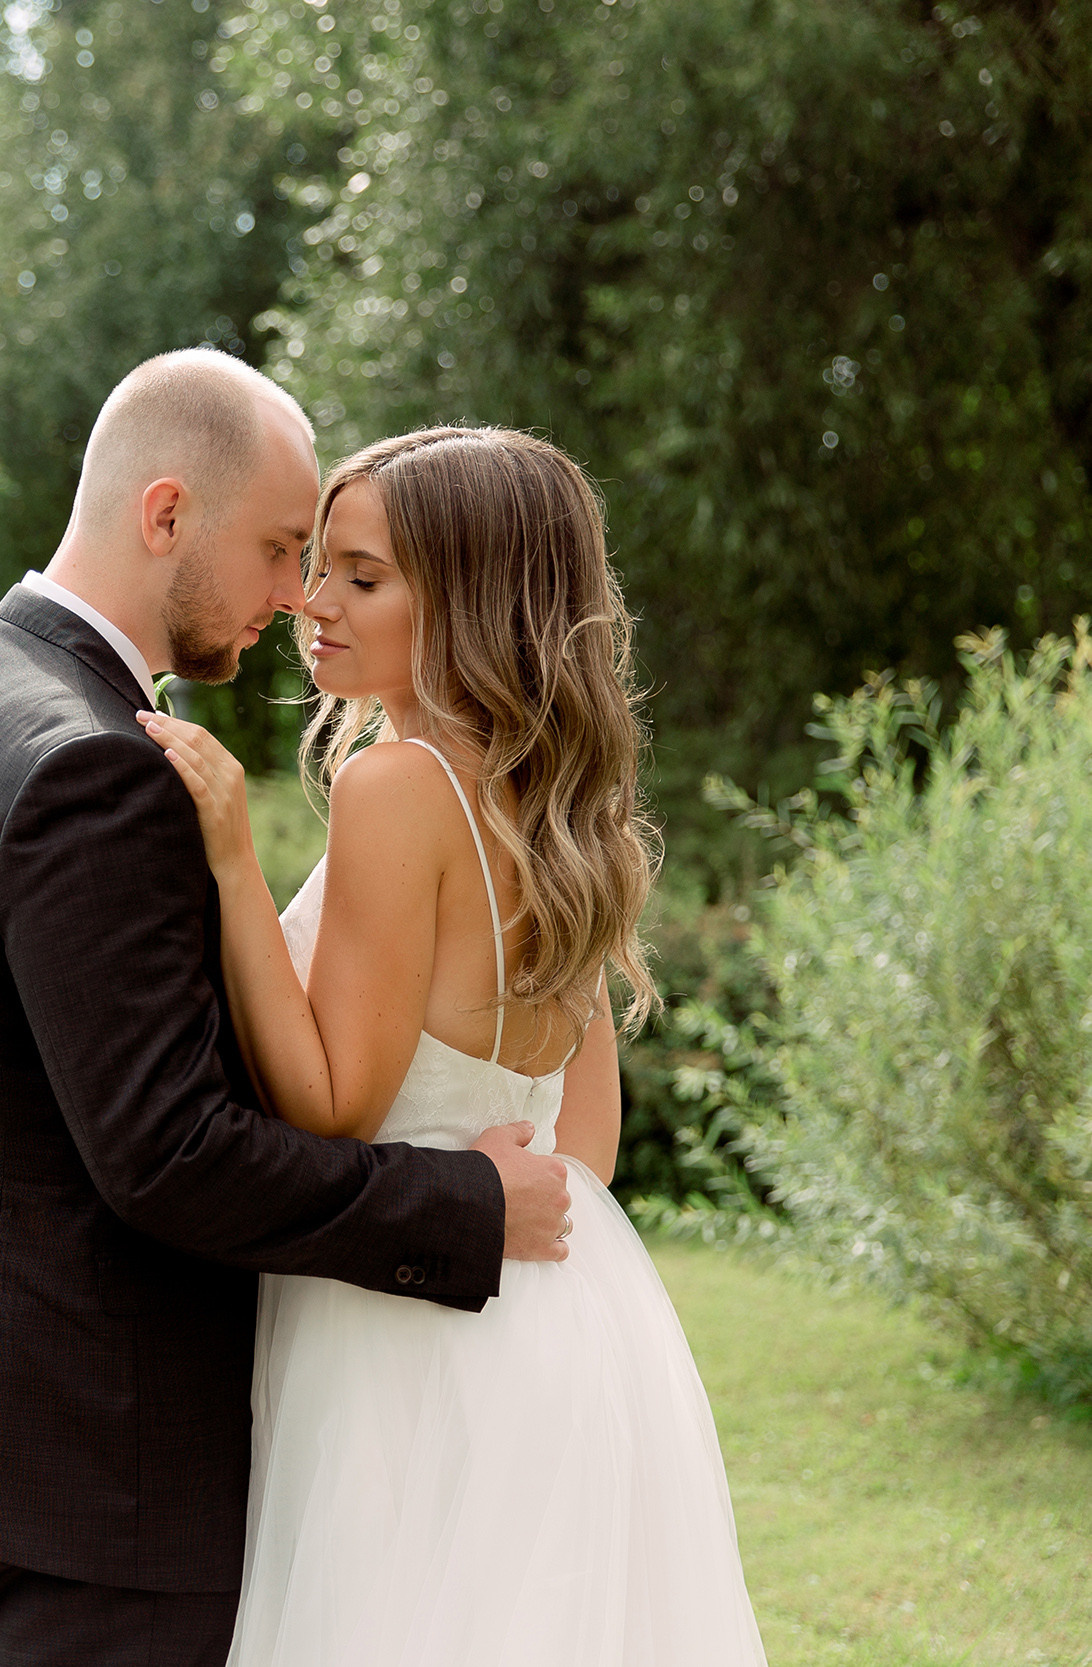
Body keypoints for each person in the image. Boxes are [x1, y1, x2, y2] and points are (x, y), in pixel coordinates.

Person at [0, 352, 577, 1666]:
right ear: (165, 516)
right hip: (100, 1482)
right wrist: (465, 1204)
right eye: (277, 548)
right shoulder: (99, 764)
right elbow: (172, 1153)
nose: (294, 596)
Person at [143, 425, 767, 1665]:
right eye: (317, 562)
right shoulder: (555, 803)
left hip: (400, 1323)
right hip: (562, 1321)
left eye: (361, 577)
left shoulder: (398, 786)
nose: (311, 601)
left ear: (472, 603)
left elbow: (327, 1103)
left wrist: (226, 855)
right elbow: (580, 1138)